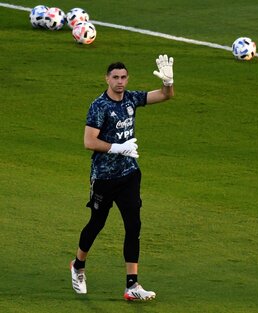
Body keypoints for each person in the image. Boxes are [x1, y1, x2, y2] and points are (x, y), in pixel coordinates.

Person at [70, 54, 175, 301]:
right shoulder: (99, 106)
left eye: (123, 77)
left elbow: (165, 96)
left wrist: (168, 83)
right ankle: (78, 265)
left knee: (133, 226)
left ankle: (132, 286)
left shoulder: (130, 99)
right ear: (107, 79)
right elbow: (89, 141)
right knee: (96, 224)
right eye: (115, 77)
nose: (120, 81)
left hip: (129, 174)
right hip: (104, 177)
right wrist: (118, 148)